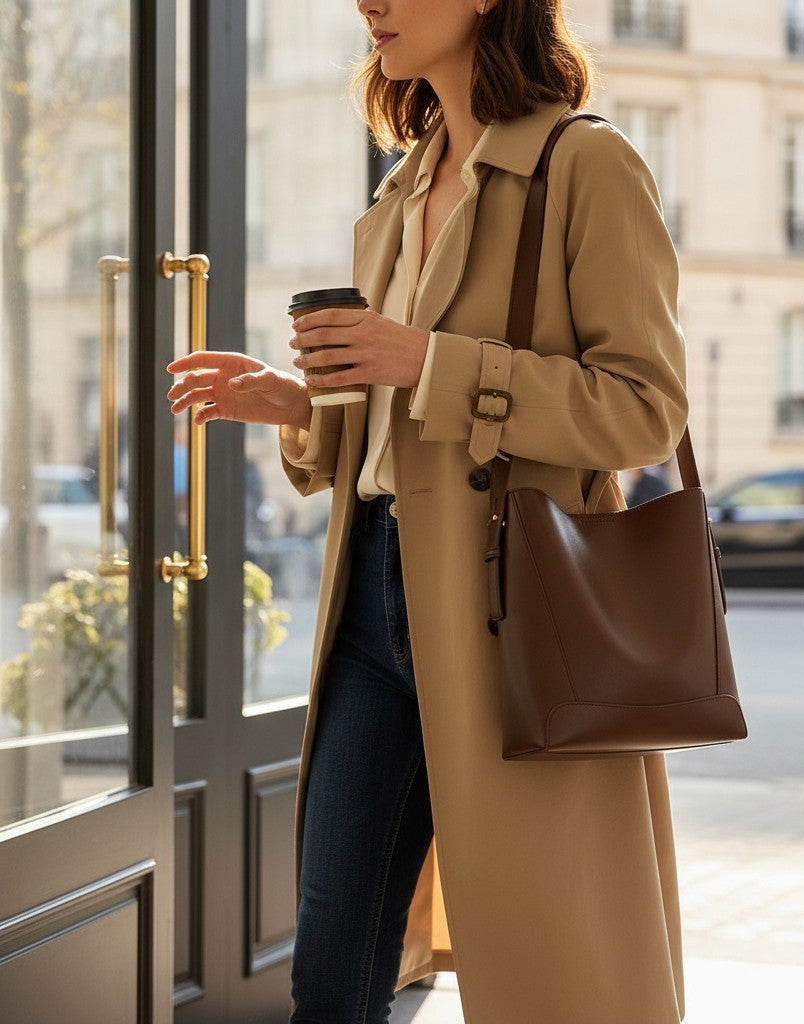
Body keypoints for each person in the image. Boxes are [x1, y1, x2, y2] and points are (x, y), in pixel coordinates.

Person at [166, 0, 688, 1020]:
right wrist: (300, 404)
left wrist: (432, 362)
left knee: (549, 969)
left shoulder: (587, 167)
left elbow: (644, 411)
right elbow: (400, 425)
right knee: (335, 962)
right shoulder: (402, 186)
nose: (369, 1)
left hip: (513, 611)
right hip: (371, 599)